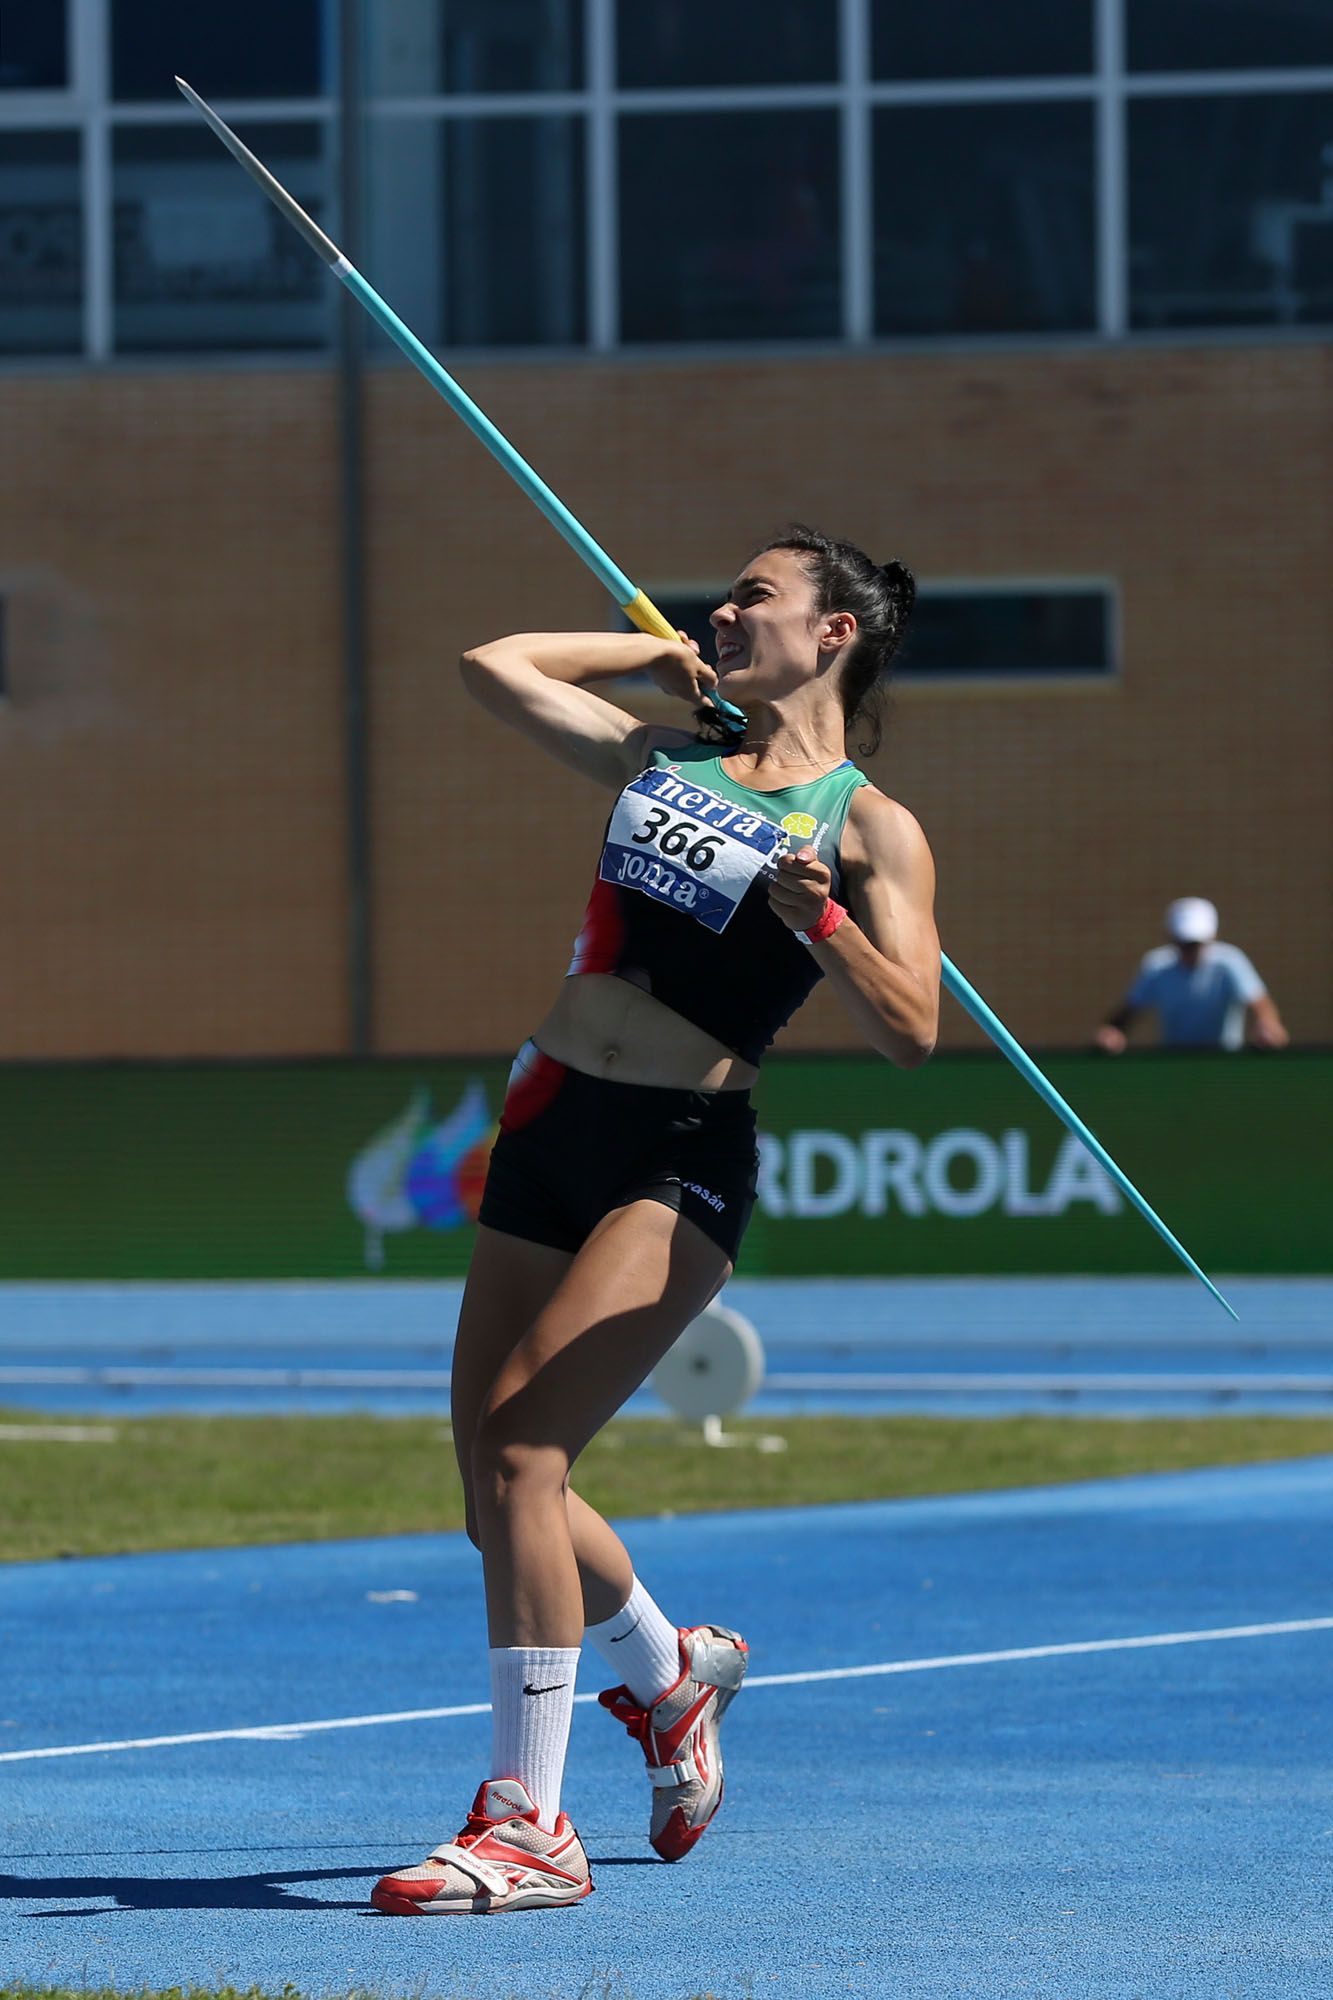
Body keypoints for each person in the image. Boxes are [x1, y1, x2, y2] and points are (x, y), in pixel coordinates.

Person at [371, 526, 940, 1916]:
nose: (725, 607)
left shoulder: (867, 824)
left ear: (834, 634)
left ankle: (529, 1829)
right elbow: (491, 666)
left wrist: (829, 927)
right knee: (495, 1492)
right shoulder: (660, 759)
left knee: (524, 1454)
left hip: (675, 1149)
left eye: (758, 595)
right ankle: (670, 1671)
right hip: (550, 1117)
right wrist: (653, 654)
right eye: (723, 594)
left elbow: (913, 1028)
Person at [1095, 897, 1288, 1054]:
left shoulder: (1230, 962)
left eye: (1197, 944)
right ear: (1171, 938)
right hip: (1175, 1063)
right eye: (1184, 944)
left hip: (1225, 1063)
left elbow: (1261, 1004)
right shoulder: (1157, 966)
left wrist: (1268, 1026)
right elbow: (1128, 1013)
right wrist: (1112, 1032)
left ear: (1212, 938)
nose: (1191, 951)